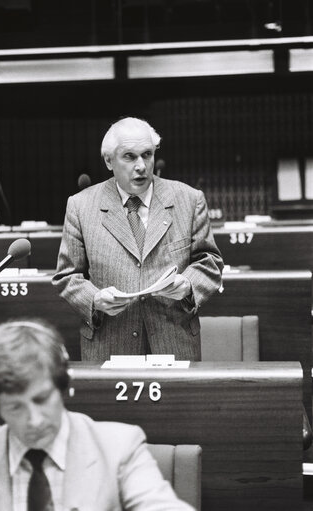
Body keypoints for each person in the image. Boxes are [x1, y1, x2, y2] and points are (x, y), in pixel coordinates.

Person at [0, 319, 196, 511]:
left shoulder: (120, 448)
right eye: (15, 408)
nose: (35, 420)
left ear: (65, 385)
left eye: (42, 399)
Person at [53, 117, 223, 360]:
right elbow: (67, 276)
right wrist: (94, 299)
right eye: (130, 157)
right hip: (109, 344)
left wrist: (188, 285)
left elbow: (210, 261)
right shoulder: (80, 206)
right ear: (109, 161)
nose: (141, 165)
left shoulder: (189, 199)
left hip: (174, 343)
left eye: (147, 154)